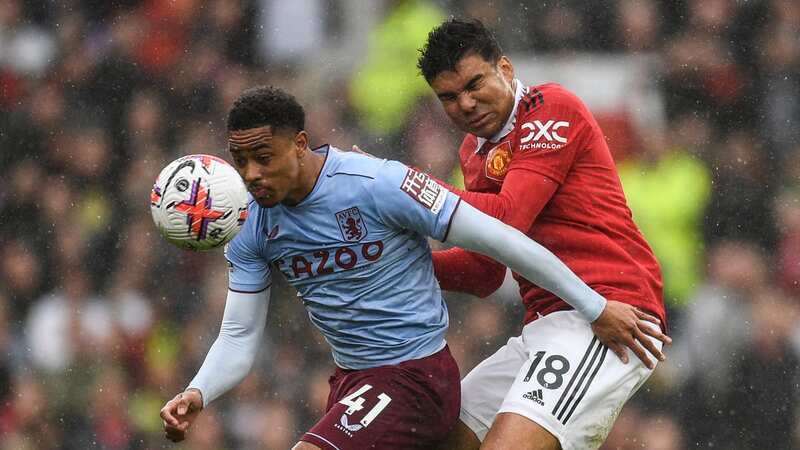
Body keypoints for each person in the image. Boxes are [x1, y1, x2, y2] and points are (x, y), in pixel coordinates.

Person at [159, 86, 669, 449]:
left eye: (263, 158)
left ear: (298, 144)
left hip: (413, 376)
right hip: (353, 383)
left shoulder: (377, 184)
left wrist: (594, 305)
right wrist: (199, 390)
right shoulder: (250, 224)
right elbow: (238, 336)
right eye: (241, 161)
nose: (252, 174)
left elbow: (504, 242)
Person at [417, 19, 669, 450]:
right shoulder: (473, 152)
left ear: (506, 69)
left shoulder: (549, 106)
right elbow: (484, 270)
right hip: (545, 326)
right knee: (440, 441)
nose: (467, 103)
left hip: (609, 313)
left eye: (475, 83)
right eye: (450, 97)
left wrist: (406, 191)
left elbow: (508, 217)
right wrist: (398, 262)